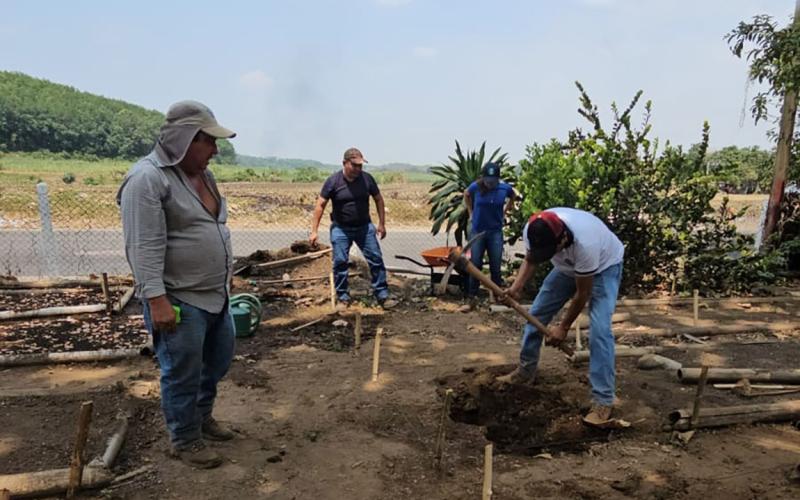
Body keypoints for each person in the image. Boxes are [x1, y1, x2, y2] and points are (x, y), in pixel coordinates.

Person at [118, 100, 237, 468]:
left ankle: (200, 419)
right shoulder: (147, 179)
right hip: (179, 299)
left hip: (215, 296)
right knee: (182, 371)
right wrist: (155, 299)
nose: (215, 151)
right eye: (209, 142)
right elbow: (143, 246)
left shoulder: (202, 175)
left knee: (215, 363)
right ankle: (184, 439)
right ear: (185, 139)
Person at [499, 208, 624, 426]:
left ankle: (603, 400)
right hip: (566, 268)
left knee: (600, 331)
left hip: (603, 267)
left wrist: (563, 327)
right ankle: (526, 372)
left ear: (563, 237)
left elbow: (582, 294)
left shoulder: (587, 244)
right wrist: (516, 288)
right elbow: (530, 259)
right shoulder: (533, 229)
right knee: (535, 316)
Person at [309, 147, 394, 309]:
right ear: (344, 163)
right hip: (341, 229)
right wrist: (314, 231)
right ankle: (343, 297)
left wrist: (381, 223)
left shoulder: (367, 179)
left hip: (365, 227)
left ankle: (382, 295)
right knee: (340, 262)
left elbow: (379, 200)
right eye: (354, 165)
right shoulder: (333, 181)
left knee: (376, 259)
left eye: (360, 166)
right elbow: (320, 205)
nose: (358, 169)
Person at [463, 162, 515, 298]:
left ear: (498, 179)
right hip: (477, 232)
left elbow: (513, 196)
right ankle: (472, 297)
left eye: (492, 181)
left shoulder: (505, 189)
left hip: (495, 233)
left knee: (495, 266)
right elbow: (466, 194)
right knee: (475, 264)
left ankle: (497, 296)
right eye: (487, 181)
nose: (489, 184)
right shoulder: (476, 187)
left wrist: (506, 211)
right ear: (483, 178)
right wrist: (471, 213)